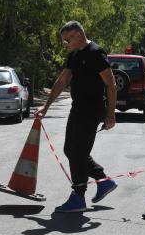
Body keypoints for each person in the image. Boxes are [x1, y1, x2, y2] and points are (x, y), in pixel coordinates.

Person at [35, 21, 118, 212]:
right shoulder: (74, 55)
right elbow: (63, 79)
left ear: (78, 35)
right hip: (77, 108)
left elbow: (111, 84)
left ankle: (78, 197)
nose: (66, 44)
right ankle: (103, 181)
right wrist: (46, 107)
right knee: (69, 150)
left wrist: (110, 114)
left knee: (78, 153)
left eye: (67, 40)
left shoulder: (96, 53)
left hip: (92, 110)